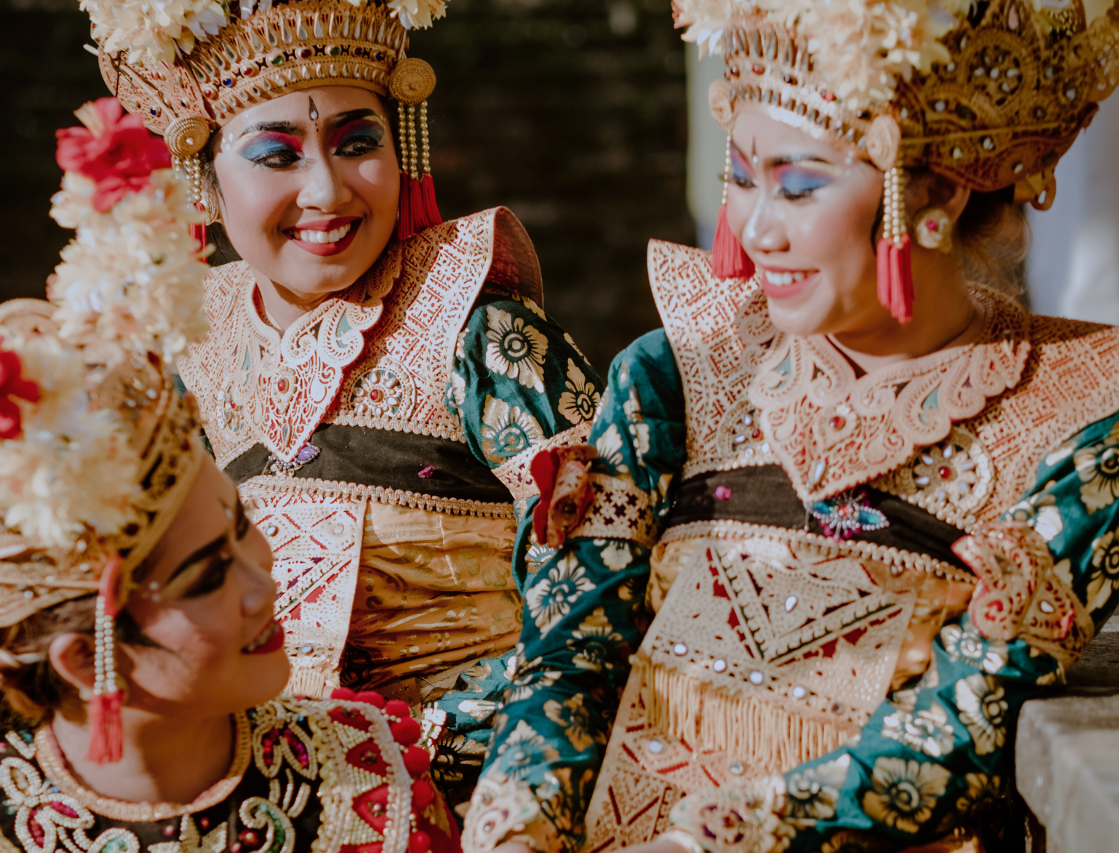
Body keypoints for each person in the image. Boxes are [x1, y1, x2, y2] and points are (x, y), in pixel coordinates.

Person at [462, 0, 1119, 851]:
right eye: (741, 177)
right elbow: (573, 652)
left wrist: (715, 839)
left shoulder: (1080, 412)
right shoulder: (677, 373)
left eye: (800, 185)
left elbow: (960, 723)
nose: (757, 228)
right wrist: (515, 828)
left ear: (940, 190)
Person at [0, 105, 458, 853]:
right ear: (82, 657)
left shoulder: (376, 779)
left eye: (242, 527)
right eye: (206, 575)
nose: (267, 583)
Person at [77, 0, 603, 800]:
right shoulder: (191, 339)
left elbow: (597, 591)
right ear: (206, 173)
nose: (326, 189)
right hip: (273, 791)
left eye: (357, 143)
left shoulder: (478, 328)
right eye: (275, 155)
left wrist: (399, 749)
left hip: (486, 790)